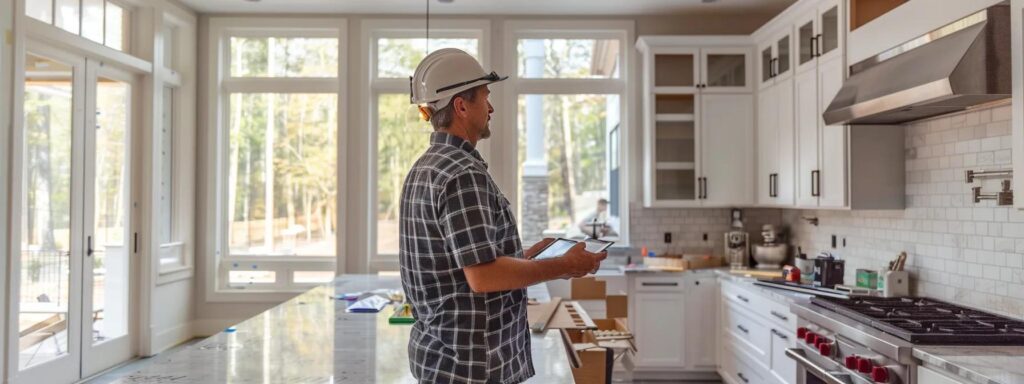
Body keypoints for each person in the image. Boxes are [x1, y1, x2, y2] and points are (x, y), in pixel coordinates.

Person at [400, 48, 607, 384]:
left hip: (443, 361)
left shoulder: (425, 168)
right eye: (485, 97)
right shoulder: (461, 173)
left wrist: (523, 257)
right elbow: (482, 278)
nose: (491, 107)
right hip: (471, 368)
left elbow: (462, 265)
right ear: (461, 106)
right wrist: (565, 265)